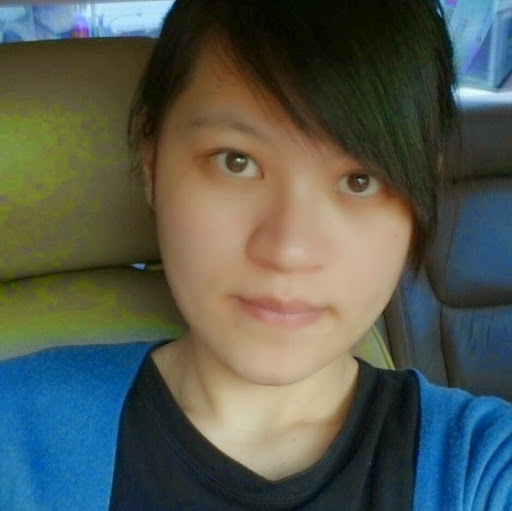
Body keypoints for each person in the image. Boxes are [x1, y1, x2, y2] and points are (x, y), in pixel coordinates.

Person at [1, 0, 511, 509]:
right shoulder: (16, 433)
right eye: (236, 162)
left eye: (360, 180)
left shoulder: (480, 466)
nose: (288, 249)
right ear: (151, 159)